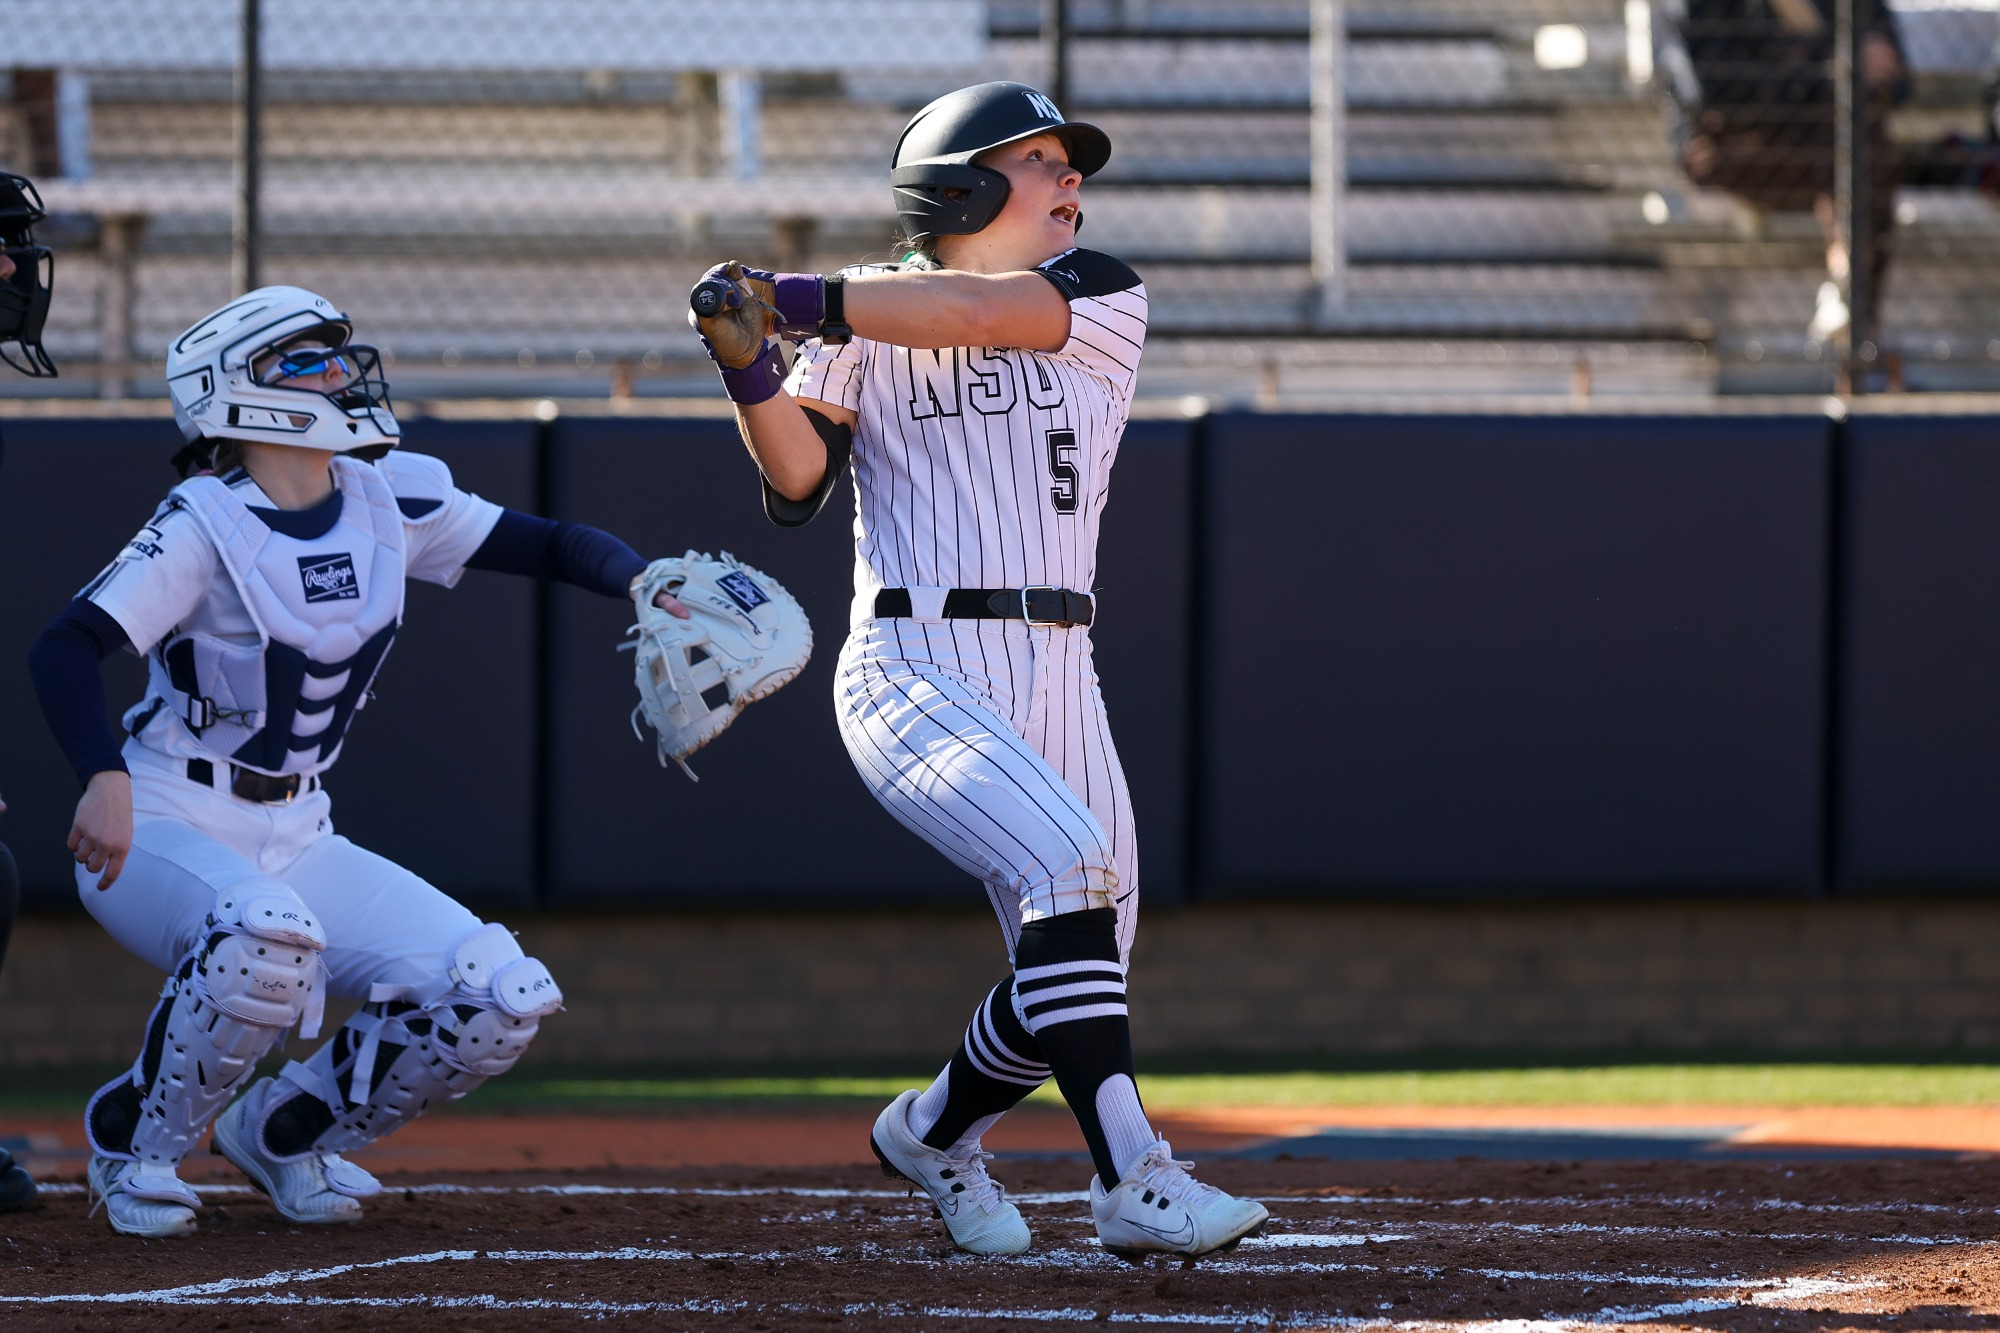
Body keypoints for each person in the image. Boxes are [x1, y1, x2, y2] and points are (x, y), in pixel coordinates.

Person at [687, 81, 1267, 1261]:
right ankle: (1132, 1177)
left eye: (1069, 164)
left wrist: (792, 296)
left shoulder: (1098, 292)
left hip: (1060, 664)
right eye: (1042, 160)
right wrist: (749, 360)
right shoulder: (856, 326)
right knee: (1066, 871)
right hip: (914, 660)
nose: (1071, 182)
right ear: (958, 184)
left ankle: (932, 1131)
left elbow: (977, 311)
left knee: (1080, 946)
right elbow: (795, 481)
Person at [28, 285, 689, 1239]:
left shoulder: (391, 494)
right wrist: (104, 774)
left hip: (300, 827)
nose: (341, 372)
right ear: (241, 394)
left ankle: (281, 1132)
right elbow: (64, 645)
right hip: (168, 819)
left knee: (497, 991)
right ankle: (138, 1146)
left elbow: (550, 543)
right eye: (308, 360)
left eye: (339, 353)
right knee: (264, 933)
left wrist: (646, 580)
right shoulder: (203, 521)